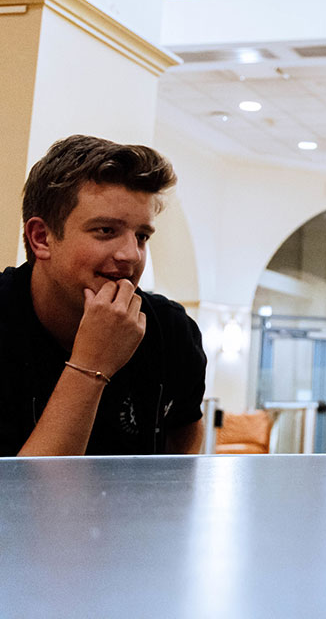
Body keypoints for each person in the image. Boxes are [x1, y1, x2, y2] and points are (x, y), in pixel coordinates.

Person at [0, 135, 207, 456]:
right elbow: (25, 499)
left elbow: (183, 445)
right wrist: (90, 365)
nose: (131, 255)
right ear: (41, 238)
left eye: (141, 236)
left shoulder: (171, 330)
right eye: (106, 231)